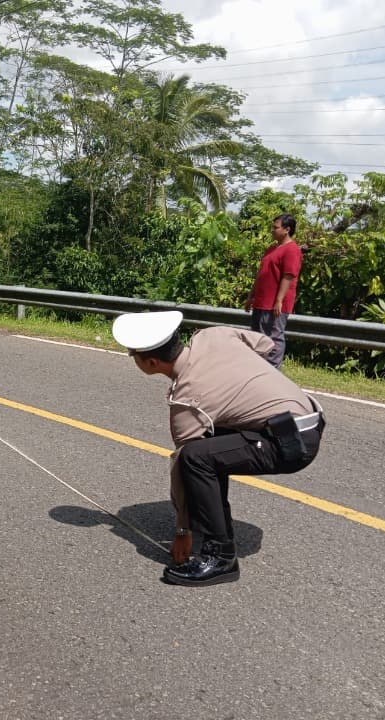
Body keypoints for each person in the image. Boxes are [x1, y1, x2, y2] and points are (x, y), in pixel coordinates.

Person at [112, 310, 325, 587]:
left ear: (151, 363)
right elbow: (266, 344)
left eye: (133, 356)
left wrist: (182, 529)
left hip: (292, 443)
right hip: (310, 418)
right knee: (211, 442)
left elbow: (182, 466)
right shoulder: (212, 335)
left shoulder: (187, 399)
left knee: (195, 457)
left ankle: (221, 557)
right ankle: (217, 525)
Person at [244, 213, 302, 369]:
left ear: (287, 229)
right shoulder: (271, 249)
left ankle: (273, 371)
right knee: (257, 338)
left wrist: (279, 300)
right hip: (261, 301)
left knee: (274, 338)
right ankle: (258, 370)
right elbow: (261, 274)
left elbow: (288, 276)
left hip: (275, 304)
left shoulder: (292, 250)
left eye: (275, 227)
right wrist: (251, 296)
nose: (272, 230)